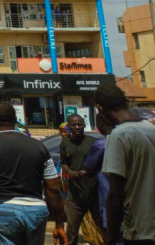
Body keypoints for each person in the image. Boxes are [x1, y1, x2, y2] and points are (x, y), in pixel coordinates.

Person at [0, 102, 67, 245]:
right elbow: (53, 187)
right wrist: (59, 225)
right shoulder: (38, 146)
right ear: (16, 119)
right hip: (36, 212)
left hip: (1, 211)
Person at [95, 82, 155, 245]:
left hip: (139, 231)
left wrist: (110, 237)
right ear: (126, 102)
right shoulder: (150, 129)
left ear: (100, 109)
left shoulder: (119, 136)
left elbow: (115, 194)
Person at [60, 114, 100, 244]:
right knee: (71, 232)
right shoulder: (65, 143)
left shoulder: (93, 142)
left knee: (103, 228)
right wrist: (70, 172)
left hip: (93, 193)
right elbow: (63, 162)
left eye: (80, 124)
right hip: (74, 195)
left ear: (84, 125)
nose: (77, 127)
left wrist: (89, 171)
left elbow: (100, 163)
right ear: (69, 126)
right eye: (73, 124)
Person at [82, 112, 119, 244]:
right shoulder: (129, 138)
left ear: (101, 124)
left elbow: (88, 166)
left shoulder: (100, 145)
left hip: (108, 196)